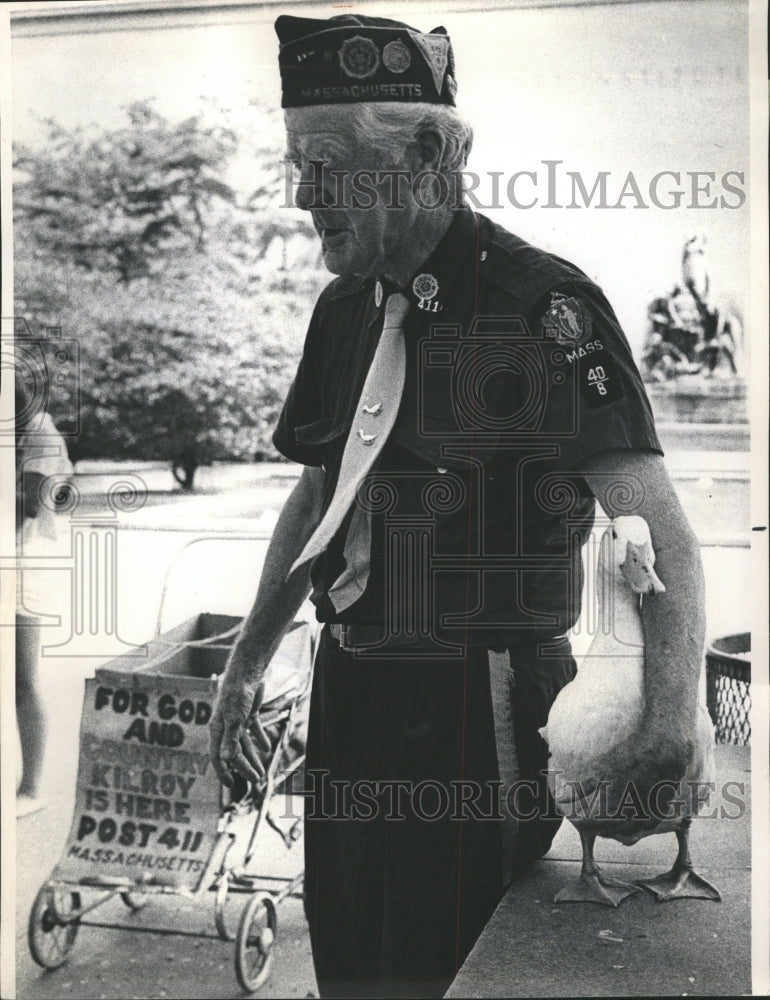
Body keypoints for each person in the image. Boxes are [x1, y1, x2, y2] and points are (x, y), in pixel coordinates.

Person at [210, 14, 706, 998]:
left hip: (474, 704)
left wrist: (664, 725)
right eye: (295, 165)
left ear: (429, 155)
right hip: (349, 697)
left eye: (326, 165)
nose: (302, 194)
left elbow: (664, 537)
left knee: (443, 972)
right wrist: (243, 665)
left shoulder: (541, 307)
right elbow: (318, 494)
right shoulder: (342, 305)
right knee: (349, 957)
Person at [15, 380, 73, 817]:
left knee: (22, 675)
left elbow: (31, 503)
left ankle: (32, 786)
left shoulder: (38, 431)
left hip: (28, 563)